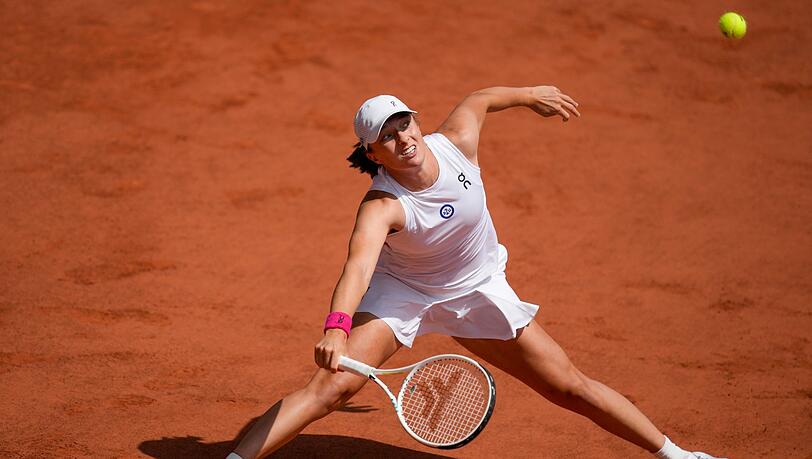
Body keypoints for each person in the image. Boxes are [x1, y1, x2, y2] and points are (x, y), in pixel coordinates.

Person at [227, 86, 723, 459]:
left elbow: (481, 98)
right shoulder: (383, 205)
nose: (402, 139)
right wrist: (336, 329)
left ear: (416, 123)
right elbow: (357, 268)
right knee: (331, 389)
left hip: (476, 289)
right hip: (405, 291)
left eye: (404, 124)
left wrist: (530, 95)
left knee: (567, 386)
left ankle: (677, 455)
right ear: (372, 154)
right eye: (387, 137)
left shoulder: (457, 141)